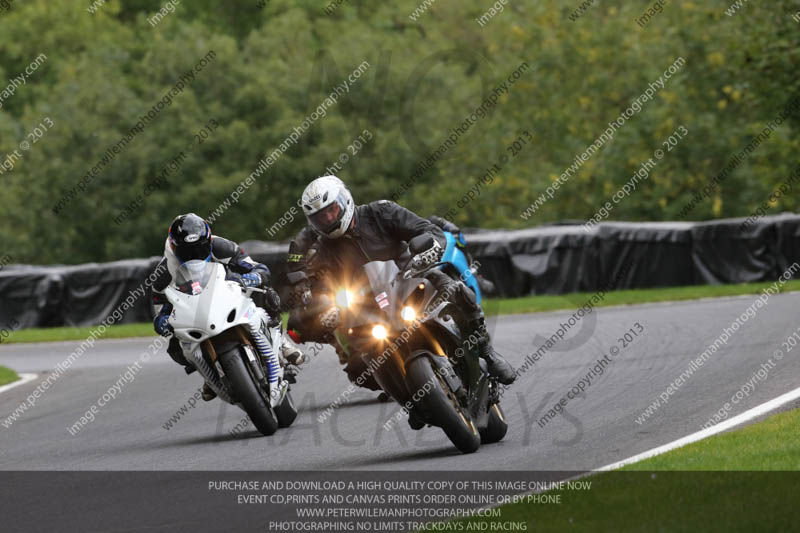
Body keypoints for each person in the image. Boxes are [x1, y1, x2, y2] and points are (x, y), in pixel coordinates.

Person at [285, 176, 516, 391]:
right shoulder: (321, 250)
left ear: (344, 201)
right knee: (360, 360)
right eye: (319, 217)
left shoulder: (381, 212)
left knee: (456, 290)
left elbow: (428, 230)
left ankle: (487, 353)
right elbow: (318, 286)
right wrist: (325, 307)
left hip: (411, 278)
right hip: (366, 306)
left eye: (331, 211)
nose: (327, 219)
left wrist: (429, 249)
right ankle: (406, 397)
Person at [152, 213, 303, 401]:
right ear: (174, 248)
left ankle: (282, 343)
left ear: (208, 240)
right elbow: (159, 304)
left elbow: (258, 268)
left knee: (266, 292)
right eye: (187, 253)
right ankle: (208, 372)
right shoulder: (164, 271)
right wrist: (163, 320)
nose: (194, 257)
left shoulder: (221, 246)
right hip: (195, 311)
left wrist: (252, 276)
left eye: (199, 250)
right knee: (175, 346)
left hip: (228, 294)